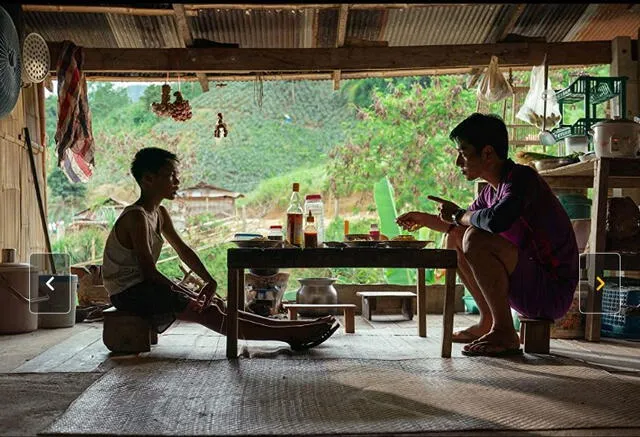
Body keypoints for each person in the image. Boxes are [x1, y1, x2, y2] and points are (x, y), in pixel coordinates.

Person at [102, 147, 339, 351]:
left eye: (176, 176)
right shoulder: (136, 217)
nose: (177, 182)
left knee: (216, 304)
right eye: (170, 176)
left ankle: (295, 327)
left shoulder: (159, 213)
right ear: (147, 179)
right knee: (208, 311)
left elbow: (183, 250)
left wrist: (209, 280)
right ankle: (291, 335)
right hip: (129, 292)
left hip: (144, 286)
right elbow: (148, 272)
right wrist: (189, 294)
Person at [396, 113, 579, 357]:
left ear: (488, 154)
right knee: (458, 238)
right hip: (527, 281)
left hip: (550, 291)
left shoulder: (522, 179)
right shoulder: (490, 192)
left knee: (474, 237)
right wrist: (423, 219)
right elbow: (462, 223)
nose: (457, 162)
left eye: (463, 152)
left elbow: (494, 220)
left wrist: (459, 214)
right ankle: (488, 320)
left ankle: (504, 331)